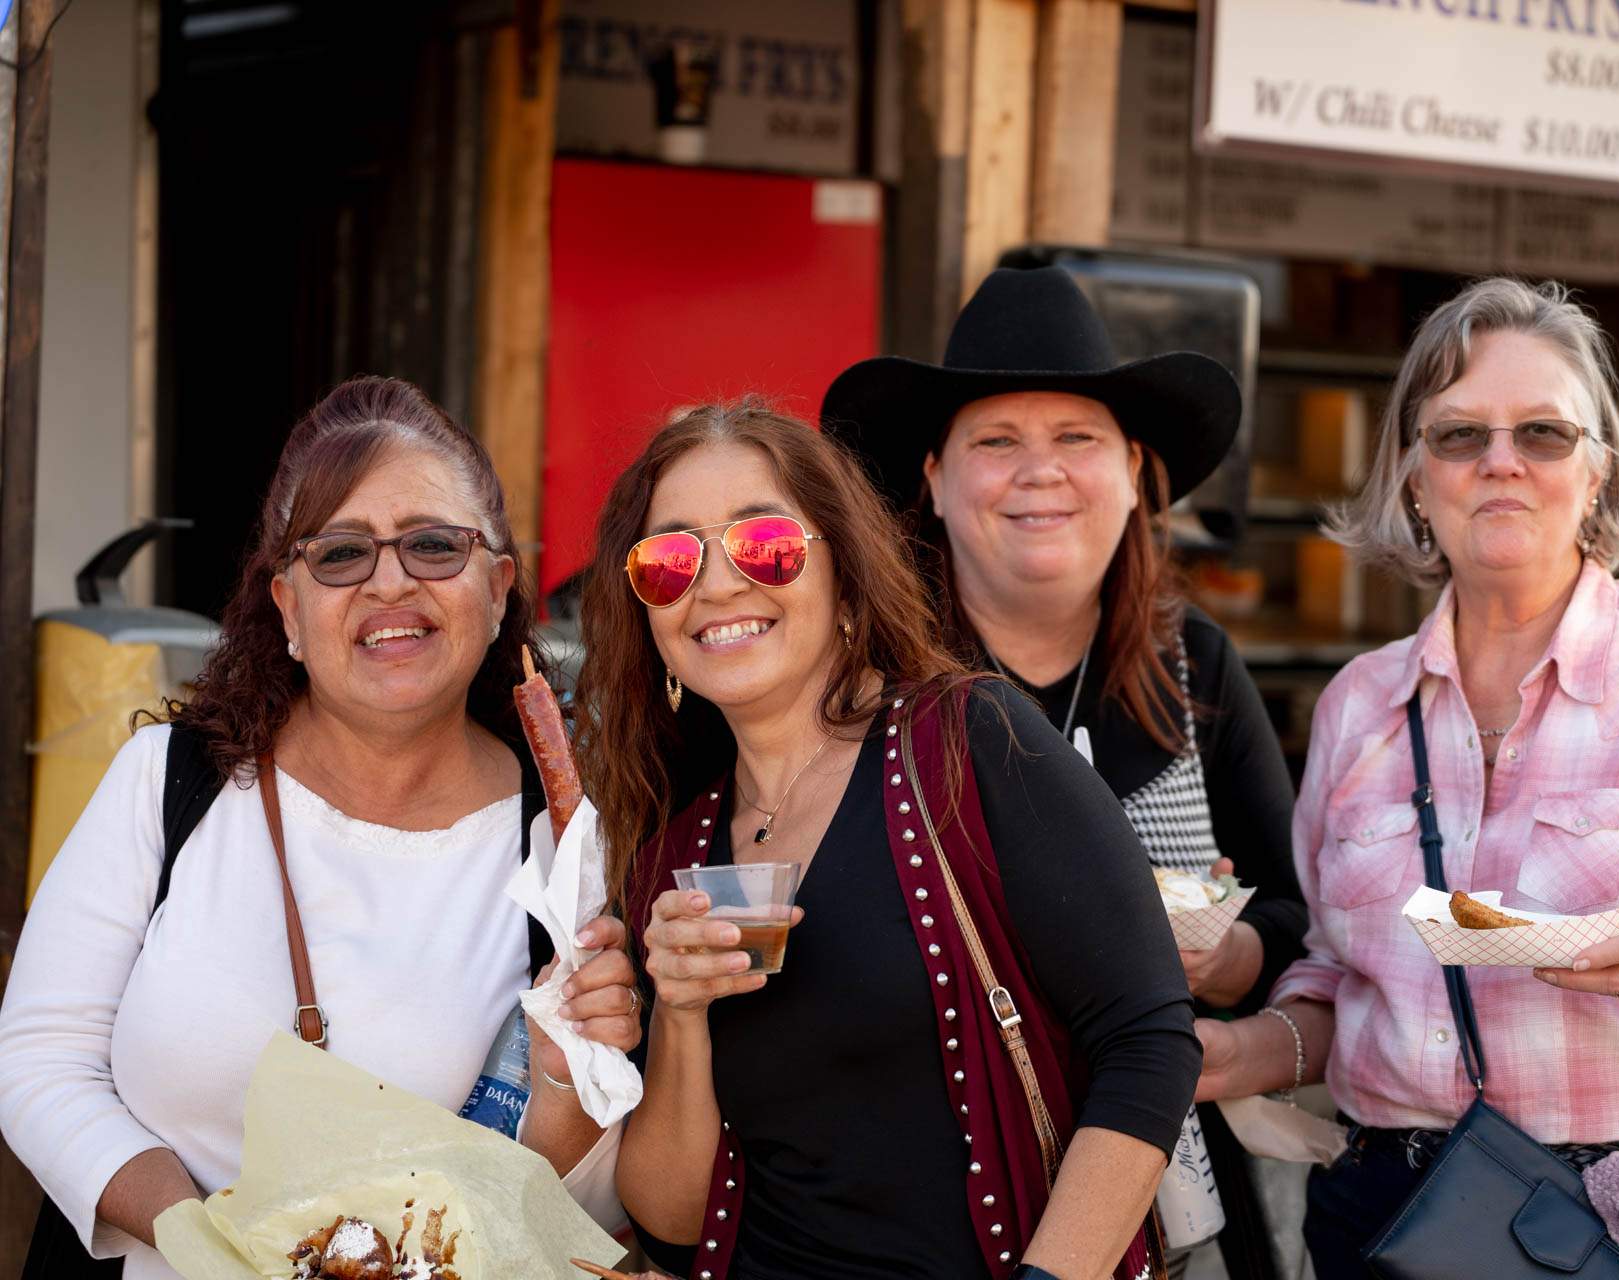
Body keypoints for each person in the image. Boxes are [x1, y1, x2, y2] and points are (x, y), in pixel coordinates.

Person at [1193, 278, 1619, 1274]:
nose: (1501, 460)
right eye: (1460, 434)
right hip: (1383, 1217)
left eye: (1544, 433)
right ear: (1416, 474)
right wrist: (1225, 1056)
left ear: (1597, 471)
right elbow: (1339, 982)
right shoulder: (1357, 708)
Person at [0, 377, 643, 1279]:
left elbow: (580, 1210)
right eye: (341, 554)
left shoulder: (566, 845)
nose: (390, 580)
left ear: (498, 591)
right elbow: (40, 1058)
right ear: (289, 608)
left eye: (433, 545)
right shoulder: (171, 784)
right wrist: (206, 1240)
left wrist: (571, 1080)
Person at [570, 402, 1200, 1280]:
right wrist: (678, 1014)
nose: (714, 587)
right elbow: (676, 1228)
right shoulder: (670, 849)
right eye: (669, 562)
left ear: (843, 568)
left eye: (765, 544)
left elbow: (1149, 1040)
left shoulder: (969, 742)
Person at [822, 265, 1308, 1277]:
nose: (1038, 472)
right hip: (929, 1194)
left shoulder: (1194, 667)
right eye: (996, 441)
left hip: (1179, 1203)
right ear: (934, 480)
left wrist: (1229, 960)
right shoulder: (869, 686)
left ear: (1132, 473)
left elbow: (1300, 913)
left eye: (1076, 439)